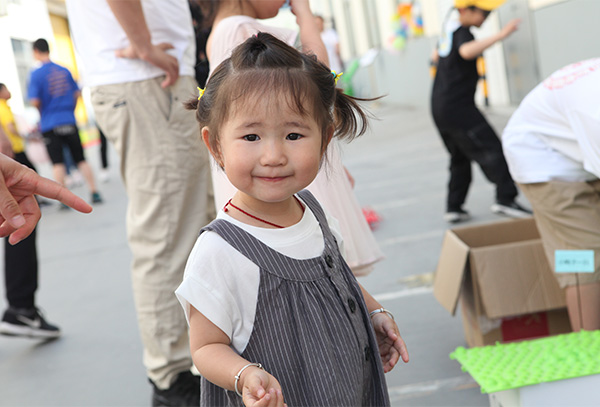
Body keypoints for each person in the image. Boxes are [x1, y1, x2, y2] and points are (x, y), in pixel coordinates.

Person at [176, 33, 409, 407]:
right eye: (251, 136)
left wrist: (374, 312)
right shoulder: (218, 251)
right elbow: (205, 347)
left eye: (294, 134)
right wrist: (244, 375)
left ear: (325, 138)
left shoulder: (313, 212)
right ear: (215, 145)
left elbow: (338, 278)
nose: (273, 155)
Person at [65, 1, 214, 405]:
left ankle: (183, 366)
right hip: (144, 76)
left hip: (150, 75)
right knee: (167, 233)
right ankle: (171, 377)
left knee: (188, 226)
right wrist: (145, 46)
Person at [199, 0, 384, 276]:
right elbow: (320, 78)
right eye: (251, 136)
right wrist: (305, 13)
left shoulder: (228, 28)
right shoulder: (237, 28)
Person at [502, 58, 600, 331]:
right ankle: (589, 348)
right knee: (584, 254)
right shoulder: (594, 113)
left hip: (575, 146)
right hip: (541, 159)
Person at [431, 0, 530, 223]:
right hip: (458, 107)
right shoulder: (462, 33)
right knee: (492, 148)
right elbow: (466, 52)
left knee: (460, 156)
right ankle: (505, 198)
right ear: (465, 10)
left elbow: (435, 56)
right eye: (483, 13)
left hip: (440, 106)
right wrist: (501, 35)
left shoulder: (448, 31)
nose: (485, 18)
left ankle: (454, 206)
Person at [0, 82, 61, 338]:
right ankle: (21, 308)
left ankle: (21, 308)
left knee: (19, 220)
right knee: (20, 221)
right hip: (10, 157)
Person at [27, 39, 103, 205]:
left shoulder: (36, 74)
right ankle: (94, 191)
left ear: (36, 52)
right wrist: (69, 109)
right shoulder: (64, 70)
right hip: (69, 120)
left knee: (57, 162)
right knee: (81, 159)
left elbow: (35, 100)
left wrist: (44, 111)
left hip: (49, 123)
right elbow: (77, 93)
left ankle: (62, 199)